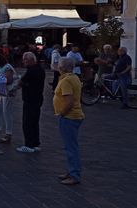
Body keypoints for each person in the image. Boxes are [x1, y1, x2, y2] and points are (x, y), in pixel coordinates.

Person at [54, 57, 85, 185]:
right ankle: (71, 170)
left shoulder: (66, 81)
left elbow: (69, 101)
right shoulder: (74, 77)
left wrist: (62, 113)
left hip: (69, 117)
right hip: (74, 116)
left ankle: (74, 174)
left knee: (70, 147)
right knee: (70, 146)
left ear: (62, 68)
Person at [17, 52, 45, 153]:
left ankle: (28, 144)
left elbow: (21, 82)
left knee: (27, 122)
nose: (23, 62)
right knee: (35, 122)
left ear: (29, 60)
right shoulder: (40, 69)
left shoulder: (31, 71)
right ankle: (35, 143)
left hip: (29, 99)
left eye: (24, 60)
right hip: (38, 98)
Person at [0, 55, 17, 144]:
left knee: (6, 112)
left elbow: (9, 80)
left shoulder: (7, 67)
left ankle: (8, 133)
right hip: (1, 91)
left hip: (8, 92)